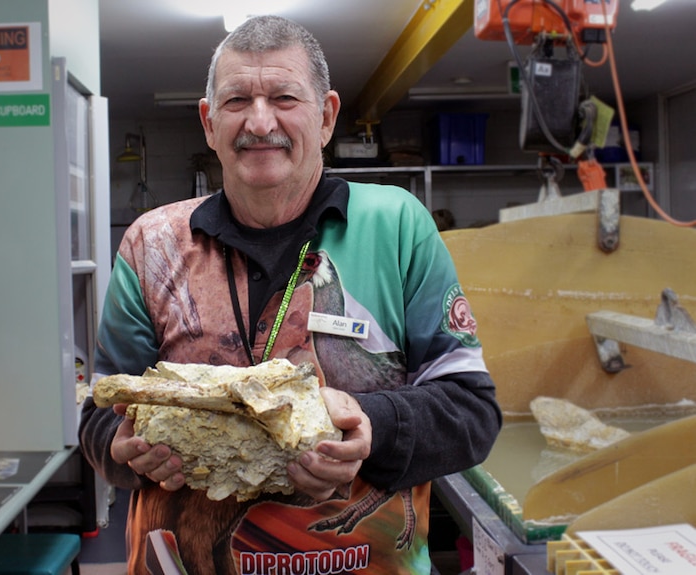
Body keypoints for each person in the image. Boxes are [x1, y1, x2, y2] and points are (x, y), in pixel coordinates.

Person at [79, 15, 502, 575]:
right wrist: (120, 447)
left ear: (326, 116)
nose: (260, 122)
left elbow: (471, 411)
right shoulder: (151, 244)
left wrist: (371, 426)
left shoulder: (398, 227)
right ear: (209, 122)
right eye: (236, 101)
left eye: (283, 97)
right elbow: (100, 412)